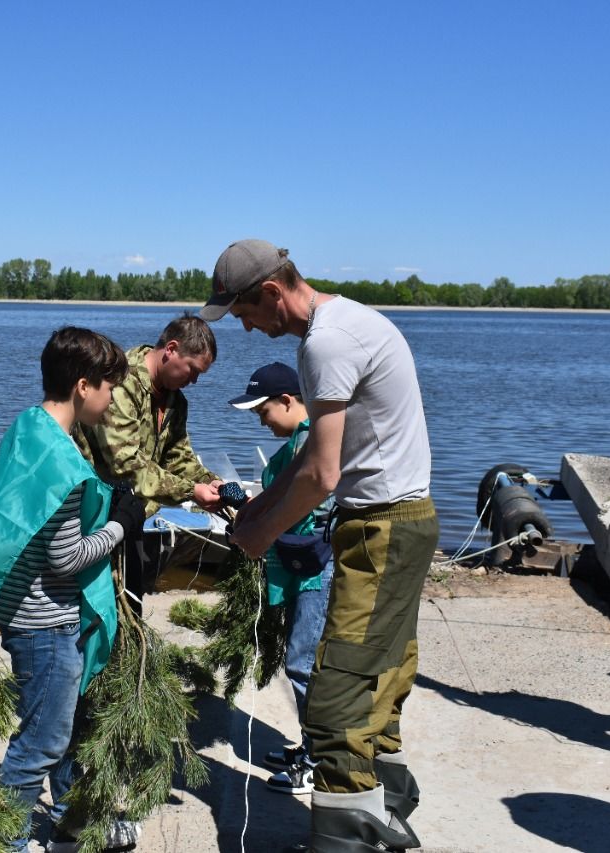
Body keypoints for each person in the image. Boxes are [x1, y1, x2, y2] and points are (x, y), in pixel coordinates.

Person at [202, 240, 438, 853]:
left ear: (273, 293)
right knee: (378, 678)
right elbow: (309, 455)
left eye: (246, 313)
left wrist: (259, 532)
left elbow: (323, 475)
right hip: (398, 522)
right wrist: (257, 504)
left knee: (335, 693)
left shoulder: (325, 343)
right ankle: (386, 809)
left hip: (382, 526)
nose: (248, 327)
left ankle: (347, 838)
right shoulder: (348, 322)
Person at [0, 327, 148, 853]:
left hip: (20, 610)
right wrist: (123, 523)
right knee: (41, 741)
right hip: (46, 620)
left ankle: (72, 823)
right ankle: (4, 840)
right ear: (84, 386)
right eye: (109, 387)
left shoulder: (27, 428)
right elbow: (66, 561)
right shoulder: (63, 463)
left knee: (65, 727)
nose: (113, 399)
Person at [228, 362, 335, 797]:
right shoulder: (299, 439)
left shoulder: (311, 440)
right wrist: (248, 501)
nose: (261, 420)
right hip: (299, 564)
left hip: (316, 566)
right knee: (301, 659)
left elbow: (308, 500)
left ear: (289, 401)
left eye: (263, 411)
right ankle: (310, 746)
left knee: (303, 663)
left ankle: (320, 764)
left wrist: (261, 524)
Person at [74, 314, 225, 600]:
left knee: (132, 601)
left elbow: (179, 457)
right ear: (171, 349)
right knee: (99, 609)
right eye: (193, 370)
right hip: (92, 519)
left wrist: (215, 485)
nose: (194, 381)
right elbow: (126, 465)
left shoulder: (175, 400)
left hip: (132, 516)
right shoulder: (120, 382)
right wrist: (192, 492)